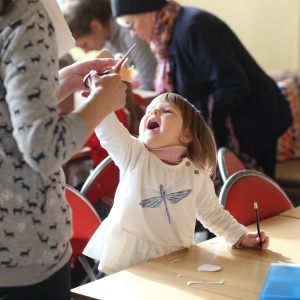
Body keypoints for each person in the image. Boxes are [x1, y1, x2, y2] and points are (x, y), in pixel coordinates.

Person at [0, 0, 126, 299]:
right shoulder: (25, 16)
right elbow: (42, 148)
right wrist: (102, 102)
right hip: (24, 255)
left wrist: (63, 80)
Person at [82, 92, 270, 275]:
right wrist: (99, 98)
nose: (153, 113)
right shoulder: (134, 154)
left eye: (166, 111)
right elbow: (109, 131)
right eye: (150, 110)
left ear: (187, 134)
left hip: (177, 258)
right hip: (130, 260)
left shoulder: (196, 172)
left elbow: (211, 212)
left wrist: (240, 236)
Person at [110, 0, 293, 180]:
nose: (133, 33)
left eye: (131, 24)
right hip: (240, 122)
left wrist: (186, 117)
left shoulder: (193, 28)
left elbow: (234, 85)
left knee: (257, 199)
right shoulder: (169, 35)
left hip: (255, 120)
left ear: (149, 10)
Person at [62, 0, 157, 91]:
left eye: (84, 44)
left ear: (95, 26)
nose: (85, 51)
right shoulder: (108, 39)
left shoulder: (129, 32)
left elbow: (150, 80)